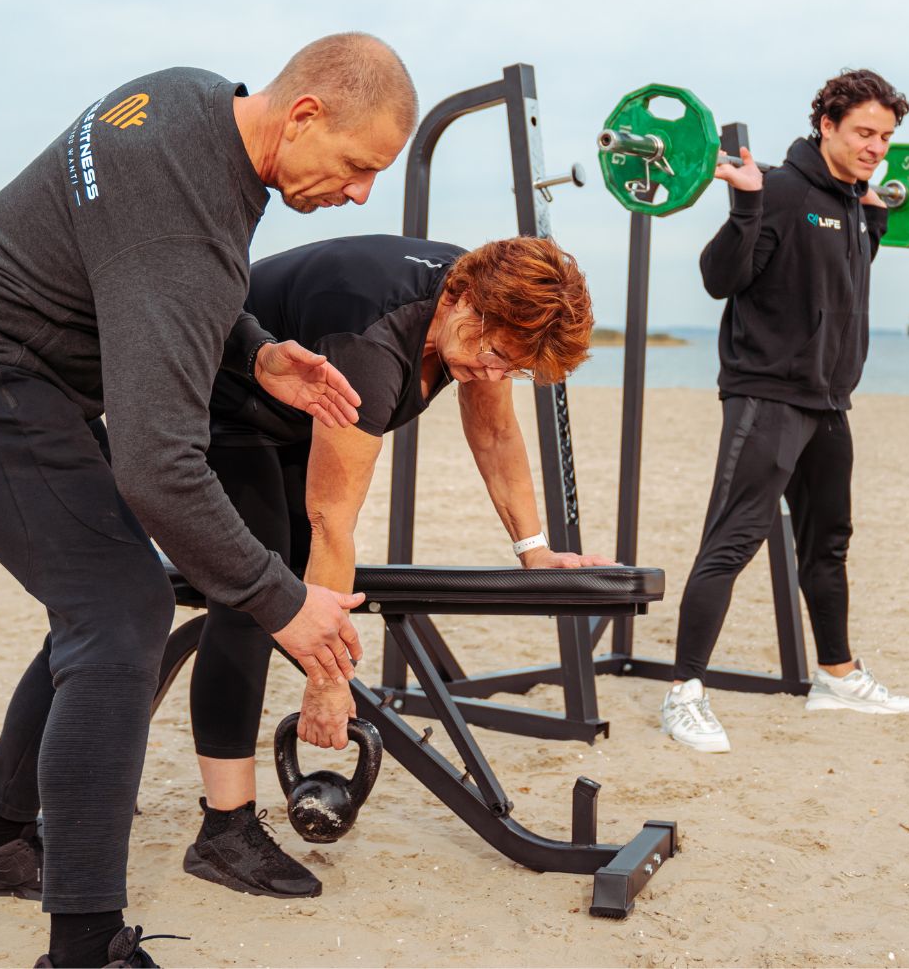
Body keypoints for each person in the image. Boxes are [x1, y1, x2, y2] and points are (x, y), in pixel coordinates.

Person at [0, 34, 417, 968]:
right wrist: (283, 600)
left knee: (99, 604)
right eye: (359, 165)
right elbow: (160, 466)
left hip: (0, 362)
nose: (362, 192)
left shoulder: (192, 102)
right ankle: (84, 947)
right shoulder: (191, 214)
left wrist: (253, 349)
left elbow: (147, 271)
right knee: (122, 611)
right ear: (304, 116)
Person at [175, 233, 604, 898]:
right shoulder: (373, 337)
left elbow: (492, 431)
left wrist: (535, 549)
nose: (495, 373)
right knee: (251, 593)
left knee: (286, 582)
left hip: (289, 422)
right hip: (211, 402)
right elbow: (333, 520)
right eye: (494, 355)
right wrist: (325, 679)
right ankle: (223, 834)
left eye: (511, 367)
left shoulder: (481, 315)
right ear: (465, 302)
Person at [660, 68, 909, 754]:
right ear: (826, 125)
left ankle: (836, 676)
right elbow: (721, 278)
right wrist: (744, 206)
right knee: (732, 542)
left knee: (828, 544)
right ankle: (683, 691)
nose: (875, 146)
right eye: (864, 132)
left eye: (886, 136)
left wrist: (874, 215)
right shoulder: (777, 189)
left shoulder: (859, 203)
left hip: (830, 403)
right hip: (767, 395)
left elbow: (838, 295)